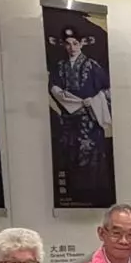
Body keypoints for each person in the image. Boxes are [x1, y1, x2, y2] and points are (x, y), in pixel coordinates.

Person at [47, 26, 111, 206]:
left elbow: (108, 89)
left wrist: (95, 99)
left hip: (90, 120)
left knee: (91, 156)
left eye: (75, 43)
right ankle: (74, 195)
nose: (72, 47)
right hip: (69, 120)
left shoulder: (92, 66)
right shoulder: (60, 67)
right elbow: (54, 88)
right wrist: (68, 101)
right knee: (70, 155)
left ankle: (92, 195)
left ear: (82, 44)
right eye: (68, 44)